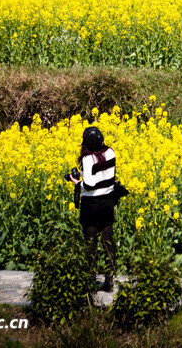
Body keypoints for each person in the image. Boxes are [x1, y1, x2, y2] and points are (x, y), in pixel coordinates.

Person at [67, 125, 117, 292]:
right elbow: (103, 176)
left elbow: (89, 185)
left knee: (91, 243)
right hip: (108, 202)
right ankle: (110, 278)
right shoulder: (110, 153)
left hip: (91, 206)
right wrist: (83, 176)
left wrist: (76, 181)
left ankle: (90, 279)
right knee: (108, 241)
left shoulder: (88, 159)